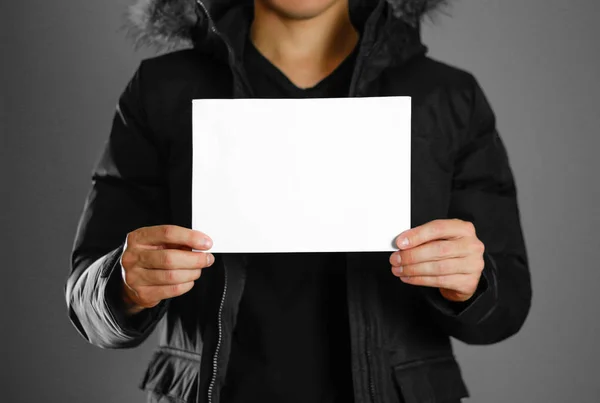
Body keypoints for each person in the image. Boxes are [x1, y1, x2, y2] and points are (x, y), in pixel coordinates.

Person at [64, 0, 532, 402]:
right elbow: (87, 298)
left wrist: (472, 285)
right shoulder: (161, 90)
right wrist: (122, 284)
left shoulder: (448, 97)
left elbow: (507, 305)